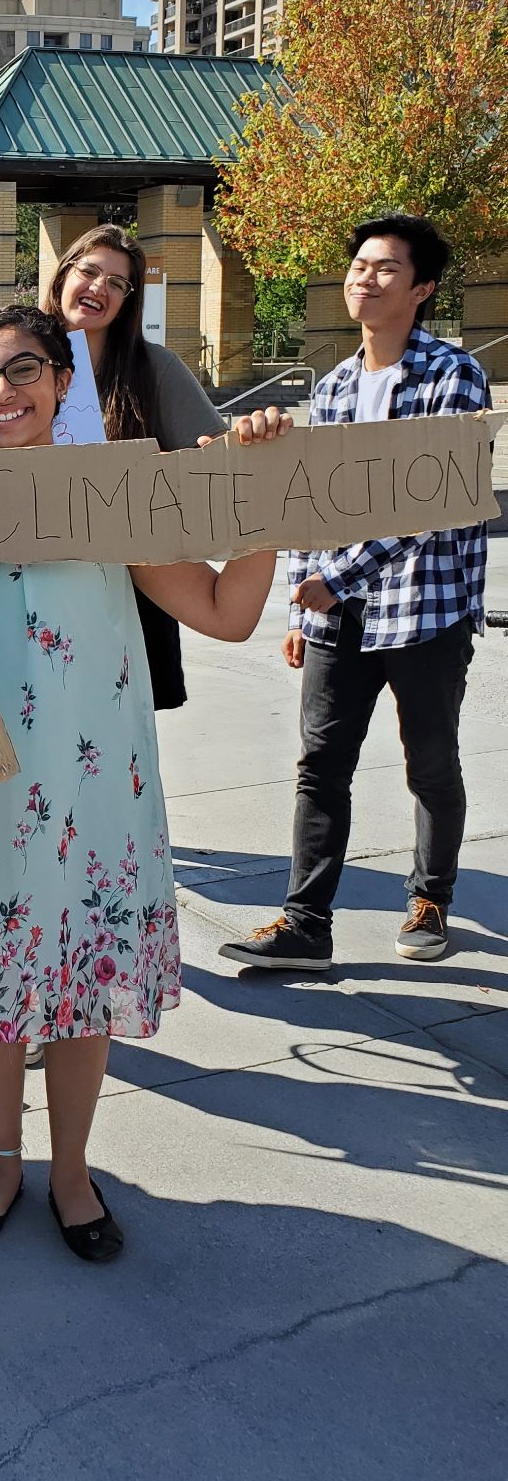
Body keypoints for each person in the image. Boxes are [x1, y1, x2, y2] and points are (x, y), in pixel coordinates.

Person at [0, 305, 288, 1260]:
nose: (3, 393)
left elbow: (224, 611)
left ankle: (71, 1171)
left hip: (97, 796)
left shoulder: (114, 495)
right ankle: (2, 1160)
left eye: (23, 370)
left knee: (83, 984)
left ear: (63, 381)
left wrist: (273, 502)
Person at [219, 213, 490, 974]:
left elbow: (433, 502)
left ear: (422, 288)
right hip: (338, 614)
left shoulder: (453, 376)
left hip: (427, 607)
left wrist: (334, 581)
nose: (364, 279)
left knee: (428, 762)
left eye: (385, 268)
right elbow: (314, 503)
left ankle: (430, 898)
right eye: (359, 265)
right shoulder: (336, 385)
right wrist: (301, 606)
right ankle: (307, 924)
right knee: (320, 765)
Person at [43, 222, 226, 711]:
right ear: (64, 275)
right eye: (89, 271)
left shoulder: (154, 368)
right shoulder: (18, 359)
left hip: (133, 594)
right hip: (37, 592)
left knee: (118, 740)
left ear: (128, 300)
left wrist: (156, 474)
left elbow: (214, 461)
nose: (99, 288)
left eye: (118, 283)